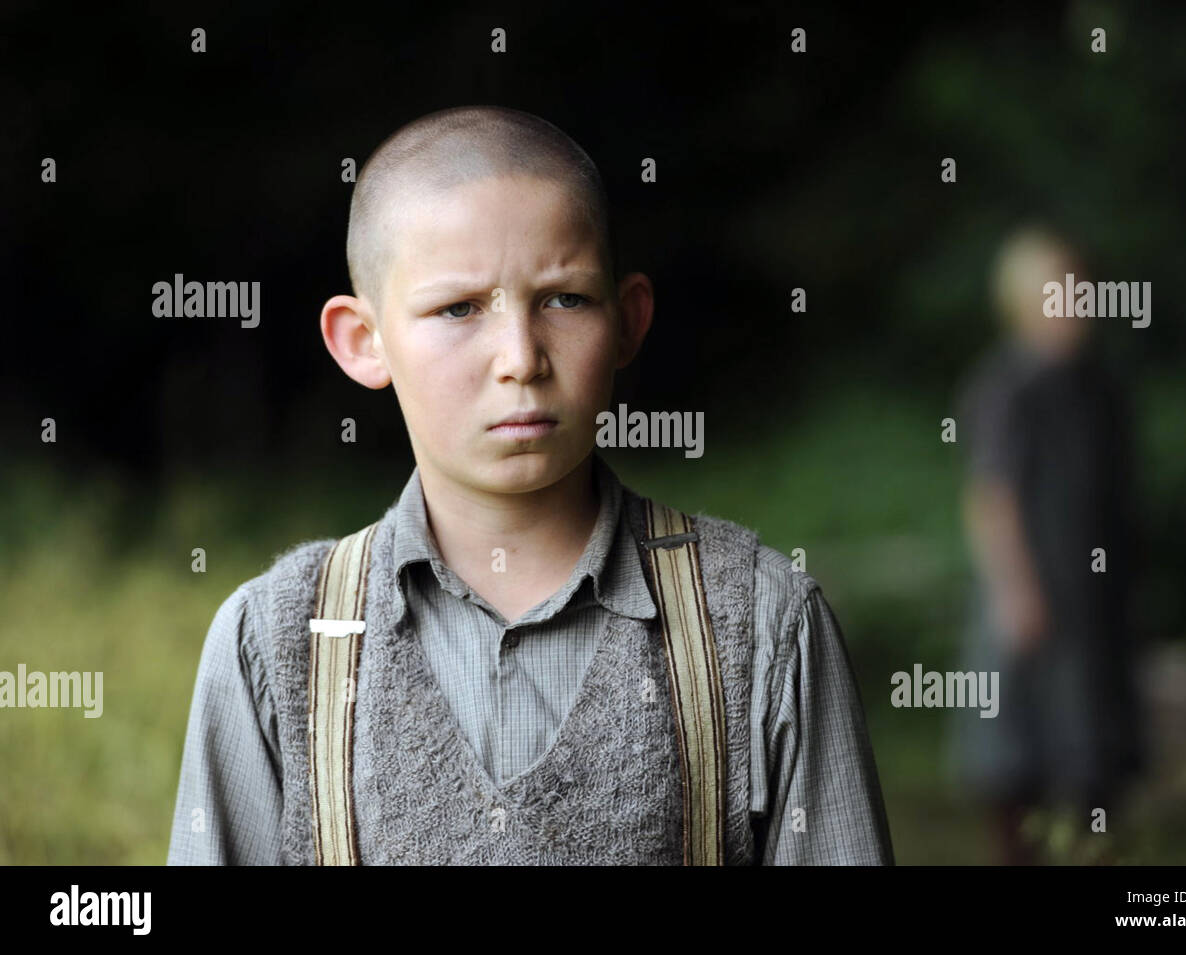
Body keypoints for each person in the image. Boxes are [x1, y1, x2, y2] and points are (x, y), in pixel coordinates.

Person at [166, 105, 893, 865]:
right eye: (459, 308)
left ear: (627, 321)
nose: (520, 356)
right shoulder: (277, 644)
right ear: (363, 341)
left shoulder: (762, 624)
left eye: (564, 299)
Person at [949, 225, 1146, 865]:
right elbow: (990, 499)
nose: (1077, 302)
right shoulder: (1006, 387)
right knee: (1017, 777)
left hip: (1091, 613)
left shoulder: (1101, 389)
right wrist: (1016, 594)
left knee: (1097, 769)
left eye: (1080, 289)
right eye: (1060, 291)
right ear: (1026, 301)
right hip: (1028, 613)